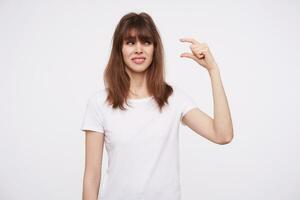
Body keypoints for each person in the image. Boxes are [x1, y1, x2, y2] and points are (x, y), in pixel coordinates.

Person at [80, 11, 233, 200]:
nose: (138, 49)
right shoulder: (99, 103)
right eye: (130, 42)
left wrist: (213, 70)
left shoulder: (173, 98)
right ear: (119, 49)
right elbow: (92, 177)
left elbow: (223, 135)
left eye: (146, 42)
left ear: (155, 48)